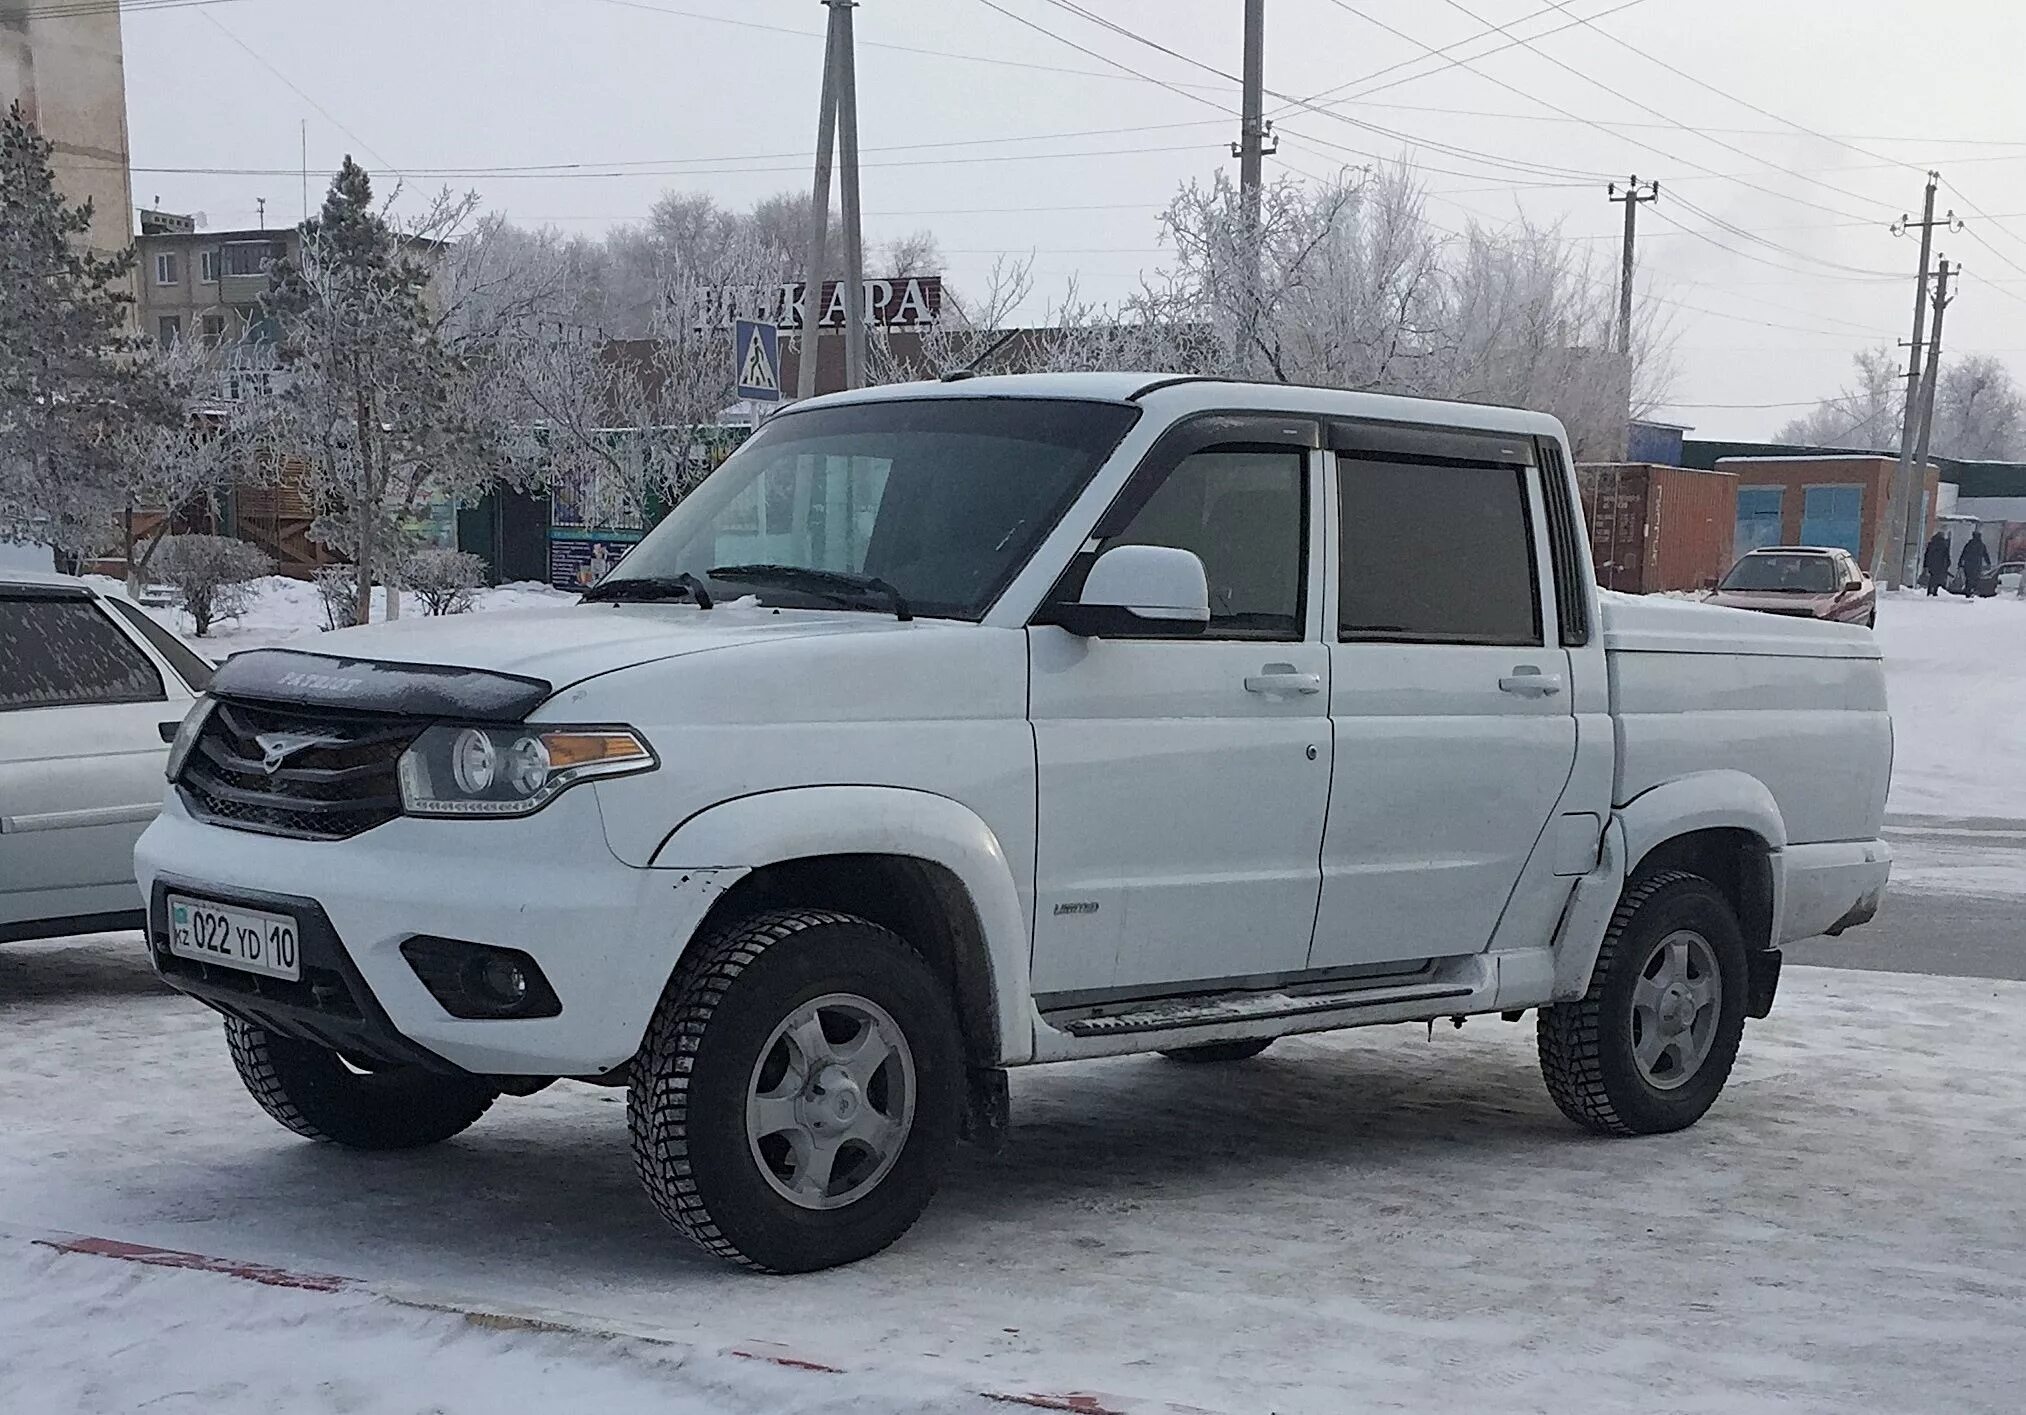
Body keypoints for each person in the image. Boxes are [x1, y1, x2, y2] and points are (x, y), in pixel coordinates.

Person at [1959, 529, 1992, 598]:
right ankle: (1973, 591)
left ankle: (1968, 592)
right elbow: (1985, 555)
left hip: (1968, 565)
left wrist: (1960, 563)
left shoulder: (1969, 544)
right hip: (1977, 565)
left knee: (1968, 579)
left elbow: (1963, 554)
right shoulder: (1981, 545)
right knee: (1975, 579)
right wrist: (1989, 563)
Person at [1923, 530, 1953, 596]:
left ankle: (1929, 590)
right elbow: (1946, 555)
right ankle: (1934, 591)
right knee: (1937, 578)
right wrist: (1948, 563)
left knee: (1932, 577)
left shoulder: (1932, 543)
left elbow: (1927, 554)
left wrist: (1925, 564)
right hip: (1940, 564)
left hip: (1931, 563)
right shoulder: (1944, 544)